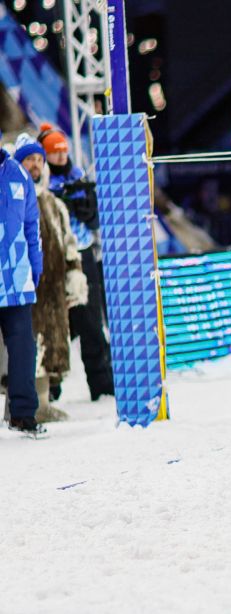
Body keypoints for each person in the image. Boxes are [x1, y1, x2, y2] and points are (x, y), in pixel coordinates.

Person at [14, 134, 88, 422]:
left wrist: (75, 277)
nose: (35, 165)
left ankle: (42, 404)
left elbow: (69, 243)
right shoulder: (9, 197)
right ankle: (24, 407)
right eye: (29, 159)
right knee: (22, 350)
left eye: (38, 160)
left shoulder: (53, 203)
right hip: (20, 288)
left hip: (52, 290)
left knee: (48, 350)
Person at [38, 123, 115, 400]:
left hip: (81, 253)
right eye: (54, 152)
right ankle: (50, 387)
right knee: (55, 325)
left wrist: (87, 209)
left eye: (63, 152)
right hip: (53, 259)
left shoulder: (77, 176)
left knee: (91, 322)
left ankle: (102, 383)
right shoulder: (42, 183)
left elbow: (95, 220)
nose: (60, 157)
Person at [0, 132, 44, 435]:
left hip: (15, 278)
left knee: (23, 348)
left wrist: (36, 265)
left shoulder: (19, 174)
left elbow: (32, 225)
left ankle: (23, 415)